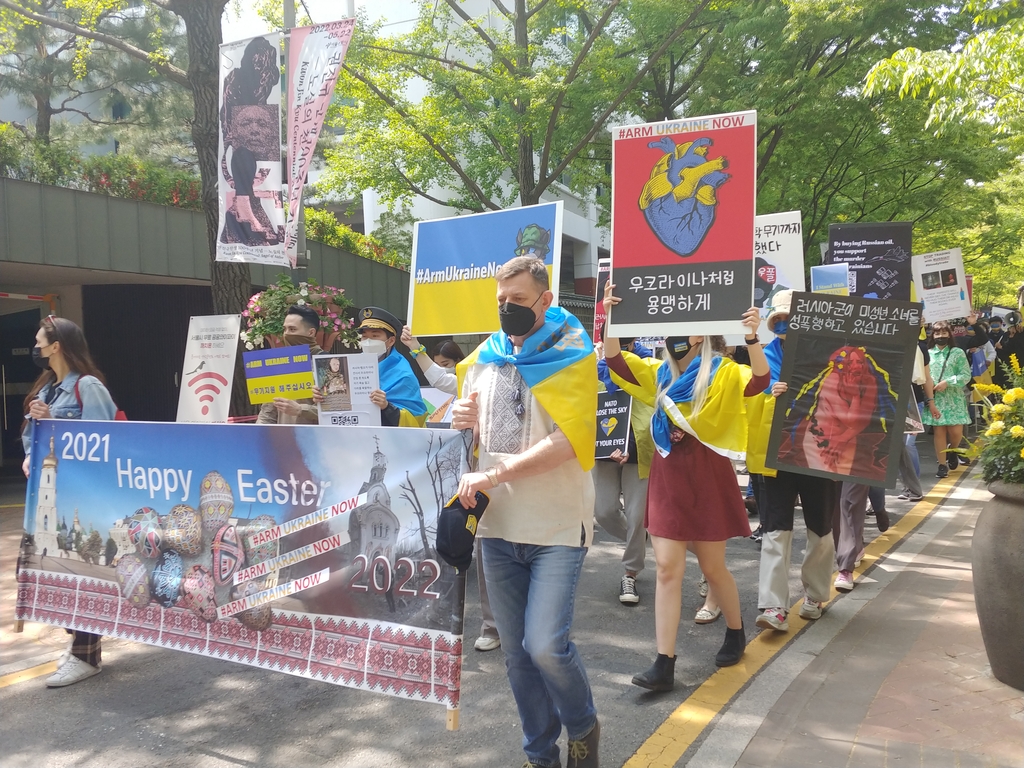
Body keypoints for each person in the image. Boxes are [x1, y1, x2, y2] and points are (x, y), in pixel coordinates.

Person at [452, 256, 600, 768]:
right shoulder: (482, 359)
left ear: (546, 300)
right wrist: (458, 418)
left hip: (557, 525)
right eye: (501, 301)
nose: (507, 309)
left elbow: (570, 441)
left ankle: (583, 726)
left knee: (544, 647)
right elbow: (468, 440)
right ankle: (540, 754)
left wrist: (495, 475)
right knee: (516, 655)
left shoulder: (575, 355)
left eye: (518, 300)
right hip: (497, 528)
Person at [603, 282, 770, 689]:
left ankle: (735, 629)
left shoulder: (727, 371)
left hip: (709, 479)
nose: (671, 336)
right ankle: (664, 662)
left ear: (700, 332)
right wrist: (610, 316)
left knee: (714, 569)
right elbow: (616, 363)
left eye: (681, 328)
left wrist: (752, 338)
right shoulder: (659, 373)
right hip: (668, 479)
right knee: (666, 569)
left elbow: (760, 383)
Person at [22, 315, 116, 688]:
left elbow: (103, 441)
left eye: (39, 341)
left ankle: (85, 654)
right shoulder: (47, 389)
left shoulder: (87, 387)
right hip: (49, 496)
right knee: (56, 572)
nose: (36, 348)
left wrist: (55, 426)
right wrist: (37, 430)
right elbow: (33, 441)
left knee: (82, 570)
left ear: (56, 345)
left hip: (81, 495)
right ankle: (78, 645)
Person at [400, 326, 501, 651]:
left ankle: (519, 624)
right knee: (482, 545)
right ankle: (492, 626)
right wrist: (416, 348)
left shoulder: (541, 371)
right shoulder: (476, 373)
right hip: (479, 474)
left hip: (523, 478)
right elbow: (443, 380)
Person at [747, 291, 836, 633]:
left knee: (821, 527)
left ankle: (815, 593)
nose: (785, 325)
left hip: (820, 456)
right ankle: (774, 605)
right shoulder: (761, 360)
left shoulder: (830, 358)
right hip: (774, 460)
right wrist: (770, 397)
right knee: (775, 529)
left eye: (790, 319)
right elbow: (747, 407)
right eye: (779, 321)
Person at [595, 338, 655, 605]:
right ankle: (639, 538)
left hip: (640, 450)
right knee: (604, 511)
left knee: (637, 514)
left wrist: (630, 444)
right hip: (603, 453)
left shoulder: (648, 367)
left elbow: (656, 408)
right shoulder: (593, 369)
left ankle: (630, 571)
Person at [356, 308, 427, 427]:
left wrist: (386, 406)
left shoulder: (403, 374)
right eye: (364, 337)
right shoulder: (352, 366)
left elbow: (415, 420)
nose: (368, 342)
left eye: (374, 336)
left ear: (391, 341)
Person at [921, 321, 972, 478]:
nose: (940, 336)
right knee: (939, 431)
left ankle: (953, 451)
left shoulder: (957, 353)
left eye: (944, 333)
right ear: (932, 335)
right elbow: (924, 377)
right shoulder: (927, 354)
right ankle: (942, 465)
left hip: (954, 398)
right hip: (936, 399)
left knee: (956, 432)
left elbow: (966, 375)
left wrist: (948, 382)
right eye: (937, 333)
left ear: (949, 334)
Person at [257, 305, 323, 425]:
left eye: (292, 329)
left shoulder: (328, 364)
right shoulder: (280, 364)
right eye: (285, 329)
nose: (286, 334)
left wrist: (300, 410)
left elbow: (336, 412)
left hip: (316, 441)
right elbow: (267, 414)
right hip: (282, 441)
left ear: (311, 332)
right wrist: (259, 436)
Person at [400, 327, 463, 396]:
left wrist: (415, 346)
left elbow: (440, 378)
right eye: (437, 365)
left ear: (457, 361)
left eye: (445, 364)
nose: (441, 368)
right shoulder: (431, 386)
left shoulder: (467, 382)